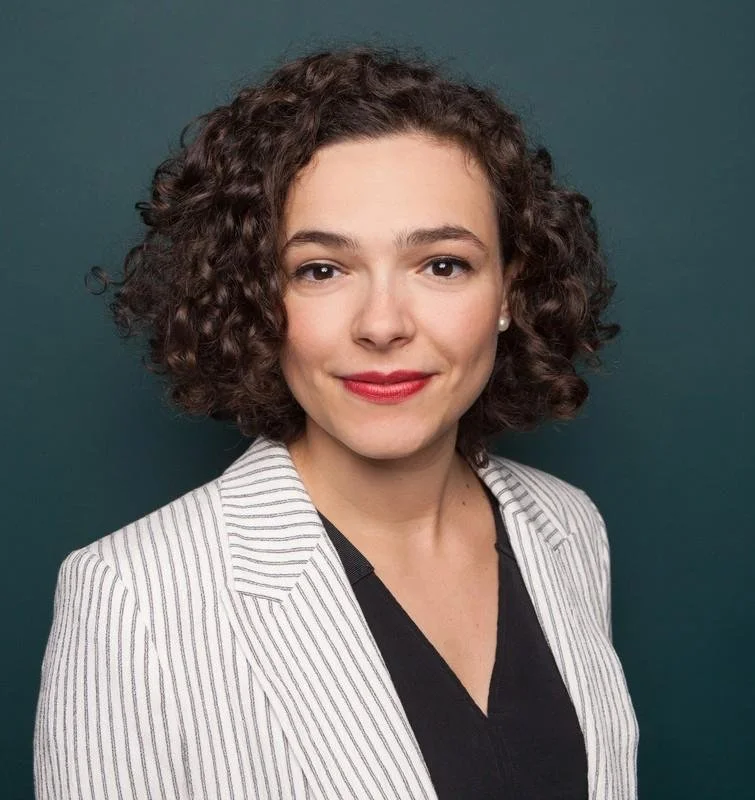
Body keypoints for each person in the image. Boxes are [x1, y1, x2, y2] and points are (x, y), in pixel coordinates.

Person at [33, 44, 638, 799]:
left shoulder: (566, 526)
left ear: (510, 291)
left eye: (442, 264)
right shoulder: (131, 598)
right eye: (322, 270)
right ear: (259, 297)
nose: (382, 324)